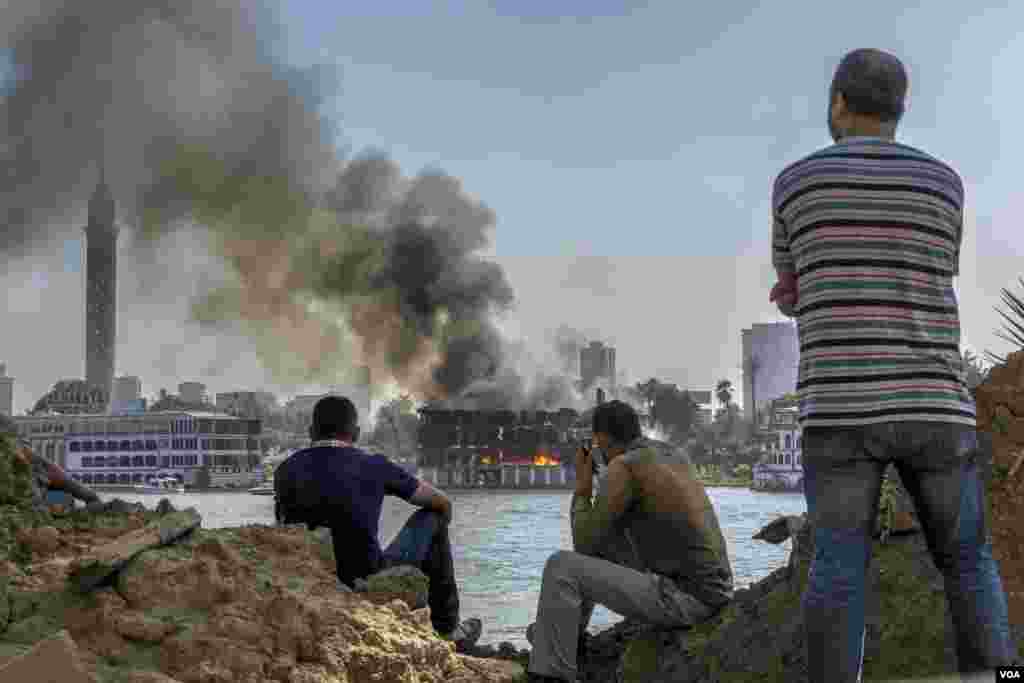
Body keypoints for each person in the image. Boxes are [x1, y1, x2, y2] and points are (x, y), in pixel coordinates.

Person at [770, 48, 1016, 682]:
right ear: (901, 109)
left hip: (840, 406)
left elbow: (791, 290)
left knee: (839, 561)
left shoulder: (795, 183)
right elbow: (936, 271)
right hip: (935, 402)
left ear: (837, 103)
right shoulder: (944, 182)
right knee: (967, 558)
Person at [525, 400, 734, 683]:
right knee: (599, 542)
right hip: (717, 591)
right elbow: (602, 540)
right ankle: (565, 636)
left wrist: (583, 488)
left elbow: (583, 543)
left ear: (601, 441)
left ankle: (553, 673)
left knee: (560, 566)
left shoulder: (623, 466)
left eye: (595, 445)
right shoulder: (674, 454)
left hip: (685, 600)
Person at [273, 395, 482, 651]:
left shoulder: (284, 470)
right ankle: (447, 628)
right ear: (357, 433)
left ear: (311, 432)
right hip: (366, 576)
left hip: (311, 580)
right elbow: (441, 501)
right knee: (434, 516)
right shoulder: (374, 465)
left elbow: (282, 530)